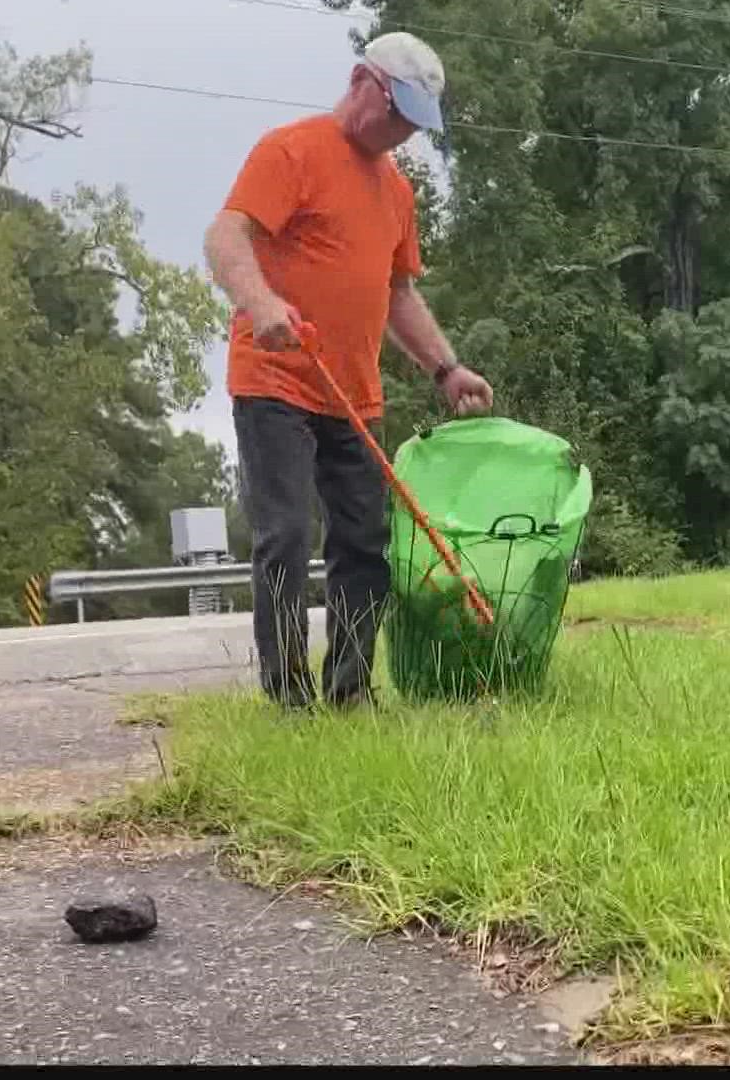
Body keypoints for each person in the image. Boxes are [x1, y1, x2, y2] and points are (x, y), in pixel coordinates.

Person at [203, 31, 493, 710]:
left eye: (414, 127)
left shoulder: (396, 191)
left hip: (354, 395)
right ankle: (289, 698)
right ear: (364, 82)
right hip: (274, 379)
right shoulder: (292, 151)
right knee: (286, 535)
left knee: (364, 544)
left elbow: (398, 294)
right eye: (397, 116)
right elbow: (225, 236)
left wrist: (446, 368)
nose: (402, 135)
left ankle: (351, 689)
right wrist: (261, 300)